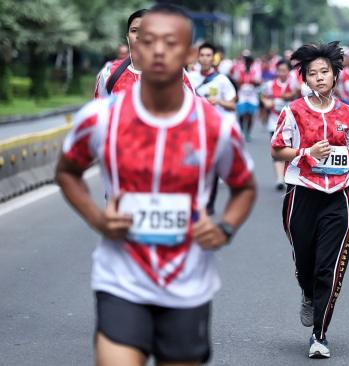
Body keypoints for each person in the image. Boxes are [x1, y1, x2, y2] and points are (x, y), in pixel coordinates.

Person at [55, 4, 257, 365]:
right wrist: (96, 219)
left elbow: (244, 186)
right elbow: (67, 170)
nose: (159, 51)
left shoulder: (216, 127)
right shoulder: (100, 118)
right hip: (121, 278)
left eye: (171, 42)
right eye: (148, 41)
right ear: (134, 47)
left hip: (187, 283)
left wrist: (225, 227)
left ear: (190, 54)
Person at [271, 41, 349, 359]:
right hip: (302, 194)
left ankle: (320, 334)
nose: (319, 78)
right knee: (306, 266)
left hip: (338, 197)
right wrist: (306, 152)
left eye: (324, 72)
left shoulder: (348, 113)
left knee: (327, 270)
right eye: (312, 73)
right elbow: (277, 149)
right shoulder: (293, 111)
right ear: (304, 78)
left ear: (334, 76)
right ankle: (306, 293)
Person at [94, 9, 193, 98]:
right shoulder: (109, 73)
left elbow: (194, 111)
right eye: (134, 31)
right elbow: (100, 112)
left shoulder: (176, 74)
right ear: (127, 37)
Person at [189, 42, 240, 216]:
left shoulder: (222, 80)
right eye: (202, 55)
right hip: (194, 127)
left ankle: (208, 204)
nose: (204, 58)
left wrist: (218, 101)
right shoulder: (189, 77)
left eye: (208, 55)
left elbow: (233, 105)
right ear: (198, 57)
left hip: (215, 129)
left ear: (214, 58)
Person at [261, 60, 298, 190]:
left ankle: (290, 175)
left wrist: (289, 95)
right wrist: (266, 102)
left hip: (291, 122)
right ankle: (280, 178)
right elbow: (264, 97)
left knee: (291, 149)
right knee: (277, 149)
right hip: (274, 122)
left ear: (289, 71)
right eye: (279, 70)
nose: (282, 73)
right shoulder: (270, 85)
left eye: (284, 70)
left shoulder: (294, 84)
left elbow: (298, 96)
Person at [233, 52, 262, 141]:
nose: (248, 63)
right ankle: (241, 130)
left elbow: (259, 82)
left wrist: (254, 82)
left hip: (252, 95)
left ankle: (248, 132)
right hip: (242, 94)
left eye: (249, 62)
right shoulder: (240, 70)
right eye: (246, 62)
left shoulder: (255, 70)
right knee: (241, 113)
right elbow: (236, 81)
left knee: (250, 114)